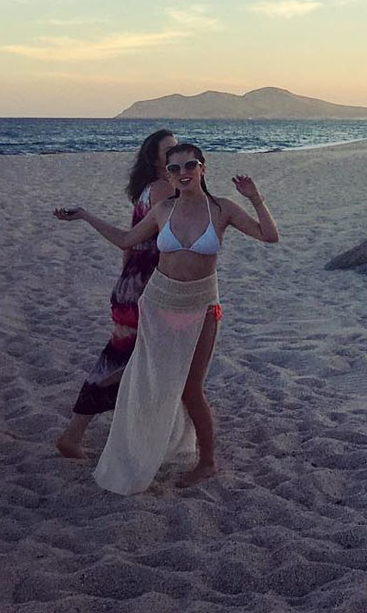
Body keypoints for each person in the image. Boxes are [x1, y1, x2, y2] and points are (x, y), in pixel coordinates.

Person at [54, 143, 279, 493]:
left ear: (203, 168)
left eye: (190, 165)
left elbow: (269, 236)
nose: (182, 173)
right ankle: (146, 449)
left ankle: (207, 462)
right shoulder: (163, 209)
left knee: (191, 388)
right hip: (158, 306)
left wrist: (255, 198)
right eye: (174, 168)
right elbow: (126, 239)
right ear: (168, 175)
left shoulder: (222, 209)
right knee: (148, 381)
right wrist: (85, 215)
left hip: (202, 308)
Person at [56, 128, 178, 459]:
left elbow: (130, 244)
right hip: (148, 283)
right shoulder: (163, 189)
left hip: (133, 281)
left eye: (177, 147)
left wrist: (126, 279)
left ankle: (81, 434)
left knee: (126, 356)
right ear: (156, 160)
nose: (175, 153)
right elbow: (167, 240)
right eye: (168, 150)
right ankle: (78, 434)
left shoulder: (147, 189)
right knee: (128, 361)